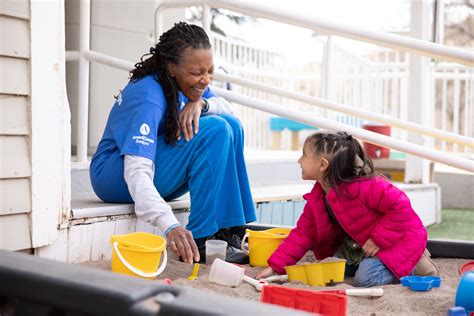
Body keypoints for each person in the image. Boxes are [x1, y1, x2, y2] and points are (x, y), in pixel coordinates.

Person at [90, 22, 256, 264]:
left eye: (210, 71)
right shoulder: (149, 97)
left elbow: (230, 110)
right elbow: (136, 173)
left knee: (231, 124)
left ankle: (231, 229)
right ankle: (201, 237)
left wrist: (202, 104)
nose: (205, 80)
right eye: (197, 73)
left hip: (153, 168)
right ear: (171, 68)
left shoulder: (186, 84)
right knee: (216, 129)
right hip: (115, 175)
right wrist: (170, 225)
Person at [255, 131, 439, 287]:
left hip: (395, 241)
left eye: (304, 154)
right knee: (329, 270)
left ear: (322, 165)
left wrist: (378, 239)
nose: (299, 160)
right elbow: (302, 234)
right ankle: (381, 264)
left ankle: (415, 263)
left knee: (364, 280)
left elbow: (401, 207)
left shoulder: (365, 187)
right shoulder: (319, 197)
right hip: (357, 247)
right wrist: (275, 266)